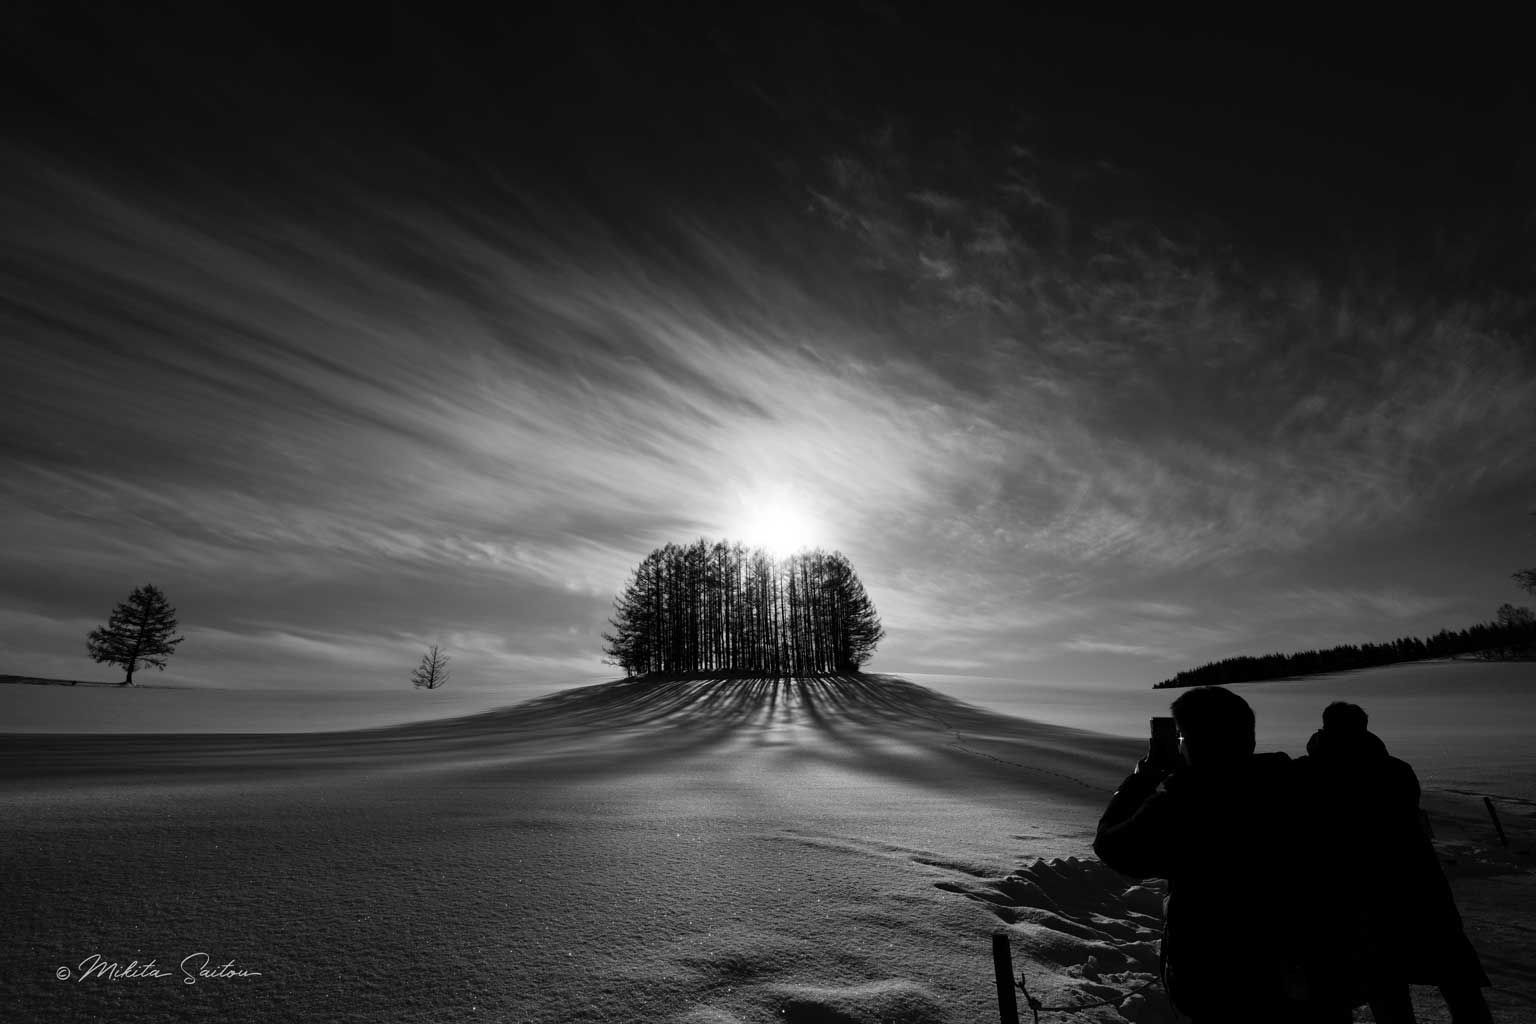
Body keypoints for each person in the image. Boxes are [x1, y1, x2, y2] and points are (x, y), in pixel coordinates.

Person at [1094, 686, 1323, 1023]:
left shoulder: (1186, 804)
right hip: (1304, 975)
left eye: (1182, 737)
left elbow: (1113, 847)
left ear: (1193, 744)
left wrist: (1143, 778)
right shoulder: (1296, 786)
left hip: (1216, 983)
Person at [1294, 702, 1493, 1024]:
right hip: (1418, 886)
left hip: (1364, 896)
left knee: (1387, 984)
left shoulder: (1313, 772)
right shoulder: (1396, 769)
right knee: (1452, 980)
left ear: (1327, 728)